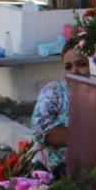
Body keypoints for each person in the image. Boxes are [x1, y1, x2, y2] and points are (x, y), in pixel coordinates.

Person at [31, 38, 88, 173]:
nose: (74, 71)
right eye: (68, 66)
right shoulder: (55, 91)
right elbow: (40, 129)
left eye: (81, 64)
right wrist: (89, 139)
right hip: (54, 176)